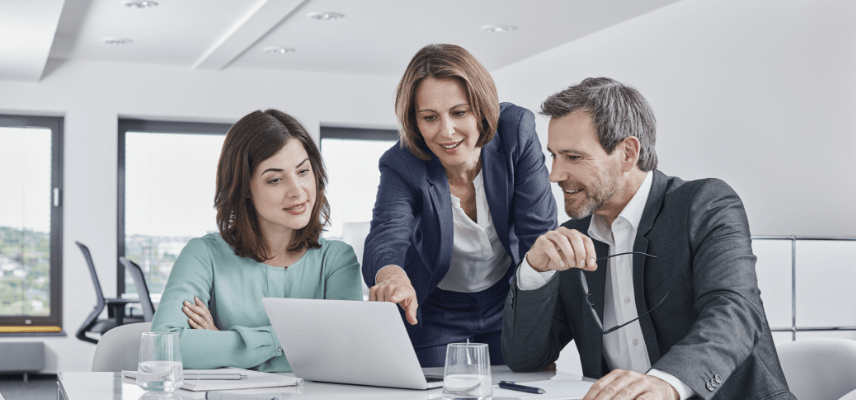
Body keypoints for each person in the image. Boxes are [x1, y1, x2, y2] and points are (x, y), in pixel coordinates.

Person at [501, 78, 795, 400]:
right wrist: (534, 272)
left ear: (628, 153)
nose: (554, 174)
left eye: (573, 157)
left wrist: (667, 382)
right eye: (553, 156)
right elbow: (526, 359)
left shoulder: (703, 204)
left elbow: (735, 311)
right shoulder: (576, 239)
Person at [362, 44, 557, 368]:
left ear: (481, 108)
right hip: (436, 305)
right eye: (429, 117)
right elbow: (386, 236)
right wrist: (393, 277)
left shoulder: (516, 131)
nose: (446, 131)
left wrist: (538, 326)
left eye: (459, 112)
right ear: (415, 121)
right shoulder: (402, 162)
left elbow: (537, 233)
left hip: (507, 296)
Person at [151, 109, 362, 372]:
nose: (297, 191)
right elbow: (163, 350)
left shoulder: (338, 261)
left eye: (303, 171)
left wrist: (221, 346)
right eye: (275, 179)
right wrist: (290, 340)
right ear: (244, 188)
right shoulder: (203, 255)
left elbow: (346, 357)